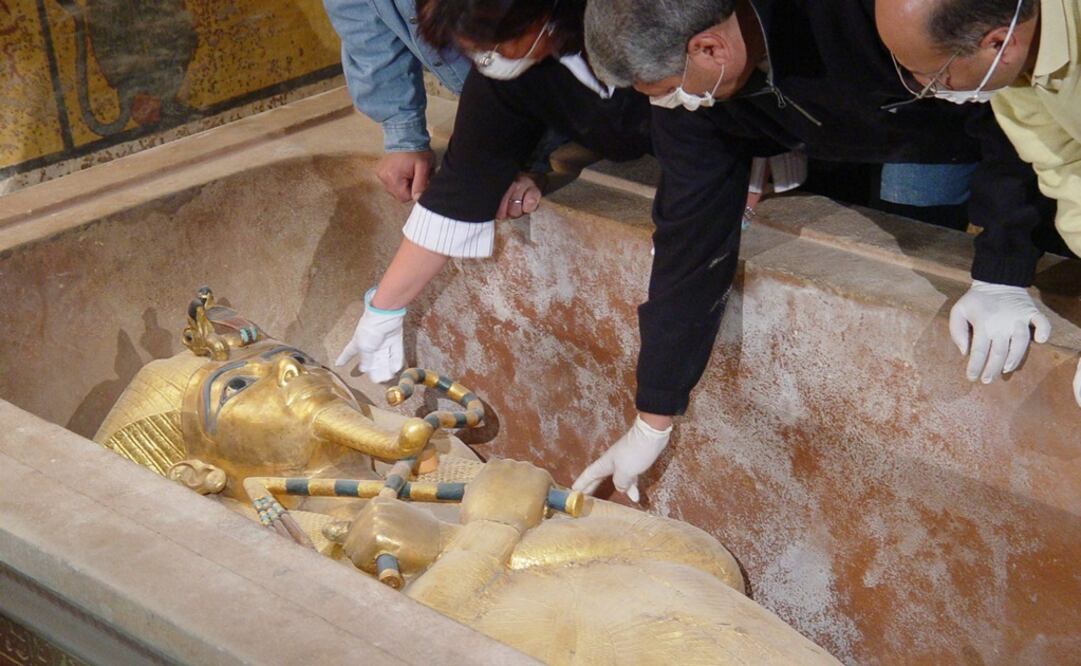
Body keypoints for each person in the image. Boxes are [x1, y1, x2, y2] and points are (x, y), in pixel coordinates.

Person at [574, 0, 1057, 498]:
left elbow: (1017, 108)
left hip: (970, 111)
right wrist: (655, 412)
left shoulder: (862, 14)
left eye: (671, 91)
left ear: (709, 48)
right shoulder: (699, 83)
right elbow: (691, 234)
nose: (673, 104)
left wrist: (1004, 266)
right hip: (856, 129)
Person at [333, 1, 658, 441]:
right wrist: (384, 307)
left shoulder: (637, 29)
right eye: (475, 54)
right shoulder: (506, 74)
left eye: (490, 49)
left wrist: (655, 420)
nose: (486, 63)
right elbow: (464, 182)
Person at [875, 0, 1081, 407]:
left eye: (935, 74)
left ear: (998, 43)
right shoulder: (1015, 69)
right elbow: (1066, 167)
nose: (928, 89)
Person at [322, 0, 544, 210]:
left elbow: (549, 42)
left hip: (548, 103)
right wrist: (404, 135)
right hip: (501, 109)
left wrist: (523, 151)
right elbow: (364, 27)